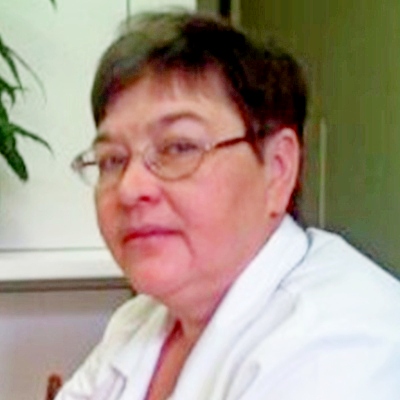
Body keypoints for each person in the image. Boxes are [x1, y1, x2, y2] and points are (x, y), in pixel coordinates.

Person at [57, 10, 400, 400]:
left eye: (179, 147)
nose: (130, 188)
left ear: (278, 169)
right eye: (112, 160)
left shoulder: (340, 347)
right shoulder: (142, 320)